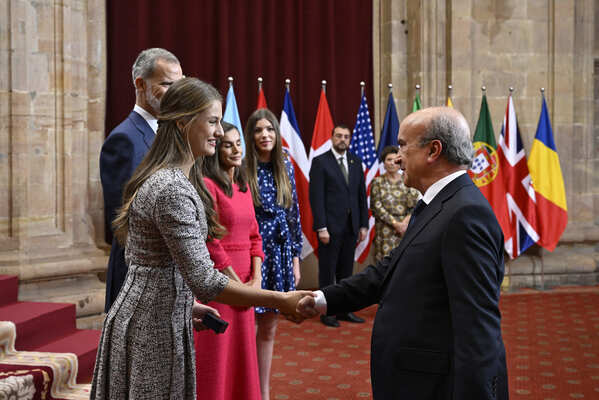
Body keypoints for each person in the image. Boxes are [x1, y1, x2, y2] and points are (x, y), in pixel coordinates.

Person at [90, 78, 315, 400]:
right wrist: (280, 299)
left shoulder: (173, 180)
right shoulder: (172, 188)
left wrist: (184, 305)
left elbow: (153, 264)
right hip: (150, 326)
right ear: (183, 123)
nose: (221, 132)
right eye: (212, 122)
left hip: (157, 315)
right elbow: (206, 281)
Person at [299, 107, 508, 400]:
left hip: (435, 386)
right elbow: (389, 271)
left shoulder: (466, 214)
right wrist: (320, 299)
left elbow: (478, 328)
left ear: (433, 150)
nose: (396, 157)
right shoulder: (435, 204)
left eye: (403, 145)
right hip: (412, 379)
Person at [100, 48, 183, 312]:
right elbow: (125, 220)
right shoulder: (124, 138)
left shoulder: (172, 133)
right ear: (140, 84)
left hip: (170, 272)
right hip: (138, 278)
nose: (176, 92)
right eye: (167, 84)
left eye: (179, 85)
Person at [190, 122, 263, 400]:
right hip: (220, 285)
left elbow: (256, 236)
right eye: (227, 144)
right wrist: (238, 285)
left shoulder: (243, 185)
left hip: (247, 283)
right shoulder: (207, 185)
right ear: (216, 149)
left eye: (238, 143)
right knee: (217, 356)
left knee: (242, 354)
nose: (235, 149)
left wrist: (255, 280)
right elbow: (210, 240)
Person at [244, 108, 302, 400]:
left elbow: (293, 215)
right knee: (248, 324)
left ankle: (263, 393)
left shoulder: (286, 165)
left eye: (269, 129)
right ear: (250, 135)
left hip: (279, 253)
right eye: (258, 130)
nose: (265, 135)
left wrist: (294, 259)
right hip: (253, 253)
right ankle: (246, 388)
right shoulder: (243, 167)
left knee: (269, 326)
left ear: (276, 134)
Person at [308, 124, 369, 327]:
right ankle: (328, 313)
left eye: (346, 136)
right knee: (328, 271)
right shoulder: (320, 162)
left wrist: (363, 225)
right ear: (332, 137)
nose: (343, 139)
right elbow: (316, 198)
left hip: (351, 227)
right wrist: (321, 227)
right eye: (339, 136)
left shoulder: (355, 161)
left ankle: (344, 311)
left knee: (346, 273)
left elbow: (361, 196)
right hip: (330, 229)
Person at [370, 145, 420, 261]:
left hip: (406, 229)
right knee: (384, 265)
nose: (392, 163)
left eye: (394, 160)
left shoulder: (408, 180)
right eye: (388, 160)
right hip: (385, 229)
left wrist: (403, 224)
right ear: (383, 162)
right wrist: (396, 224)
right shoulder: (377, 182)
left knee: (404, 264)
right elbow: (377, 207)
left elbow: (415, 205)